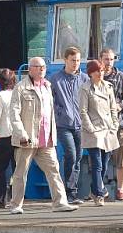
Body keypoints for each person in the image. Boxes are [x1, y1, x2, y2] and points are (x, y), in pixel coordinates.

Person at [8, 57, 78, 214]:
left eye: (44, 67)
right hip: (27, 139)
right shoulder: (20, 88)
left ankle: (60, 202)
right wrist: (22, 134)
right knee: (21, 172)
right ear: (30, 69)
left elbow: (50, 114)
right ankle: (16, 204)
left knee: (53, 169)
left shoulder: (47, 86)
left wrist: (53, 134)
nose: (42, 70)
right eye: (38, 67)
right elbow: (14, 114)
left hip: (46, 139)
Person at [49, 46, 89, 204]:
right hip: (63, 124)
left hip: (80, 124)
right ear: (65, 60)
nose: (76, 64)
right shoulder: (55, 79)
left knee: (78, 157)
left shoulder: (84, 79)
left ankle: (71, 192)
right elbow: (50, 100)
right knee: (71, 154)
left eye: (78, 61)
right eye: (73, 60)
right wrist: (58, 112)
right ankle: (69, 193)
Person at [79, 60, 119, 206]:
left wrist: (115, 125)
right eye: (97, 71)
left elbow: (113, 108)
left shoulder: (108, 87)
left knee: (105, 162)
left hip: (108, 130)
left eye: (101, 70)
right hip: (94, 131)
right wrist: (90, 128)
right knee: (97, 164)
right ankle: (99, 195)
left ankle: (94, 189)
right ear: (90, 73)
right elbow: (83, 111)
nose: (100, 73)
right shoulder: (85, 89)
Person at [100, 48, 123, 201]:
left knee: (122, 159)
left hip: (121, 124)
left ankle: (121, 190)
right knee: (100, 159)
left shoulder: (121, 77)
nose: (109, 62)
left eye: (111, 59)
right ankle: (98, 189)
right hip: (101, 126)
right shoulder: (96, 77)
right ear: (100, 59)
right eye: (106, 59)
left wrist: (120, 105)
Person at [0, 68, 17, 207]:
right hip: (18, 136)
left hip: (4, 136)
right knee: (17, 169)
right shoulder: (17, 94)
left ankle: (0, 199)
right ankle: (18, 198)